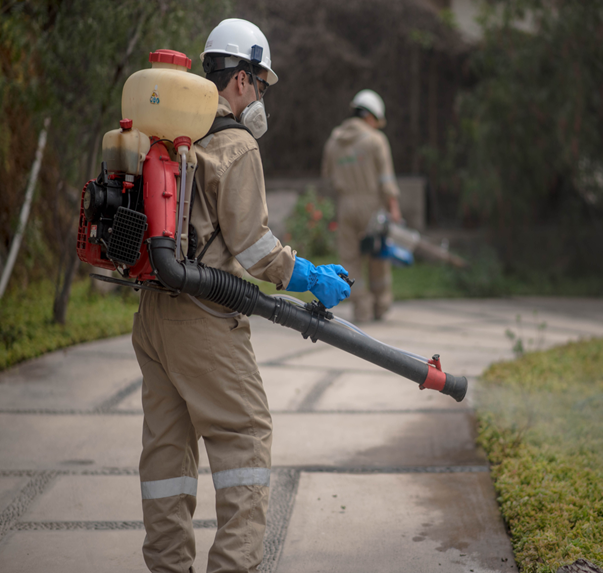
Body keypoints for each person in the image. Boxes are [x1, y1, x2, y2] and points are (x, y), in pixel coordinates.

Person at [131, 18, 350, 573]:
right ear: (242, 79)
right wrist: (308, 275)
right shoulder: (234, 146)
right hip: (203, 316)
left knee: (167, 455)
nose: (261, 96)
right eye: (261, 83)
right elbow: (254, 249)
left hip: (153, 313)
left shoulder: (171, 136)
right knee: (244, 438)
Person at [322, 89, 402, 323]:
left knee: (350, 259)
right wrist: (394, 209)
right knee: (378, 255)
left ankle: (361, 309)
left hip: (345, 204)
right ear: (370, 116)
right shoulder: (376, 141)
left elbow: (327, 178)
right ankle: (381, 305)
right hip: (372, 206)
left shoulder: (334, 141)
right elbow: (387, 180)